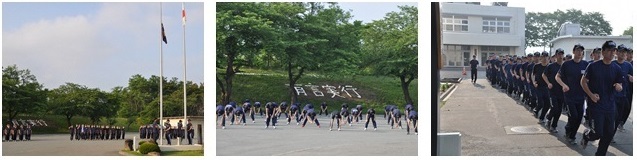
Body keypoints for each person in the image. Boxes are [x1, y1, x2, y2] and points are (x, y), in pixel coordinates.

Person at [580, 40, 625, 156]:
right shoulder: (593, 66)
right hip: (596, 105)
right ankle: (586, 135)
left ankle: (600, 155)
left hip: (610, 105)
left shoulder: (617, 69)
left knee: (609, 134)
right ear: (603, 52)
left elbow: (619, 83)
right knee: (597, 133)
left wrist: (619, 86)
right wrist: (591, 95)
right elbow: (583, 82)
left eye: (613, 51)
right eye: (609, 50)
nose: (612, 53)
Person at [555, 44, 589, 145]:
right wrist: (563, 85)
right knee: (573, 116)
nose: (579, 53)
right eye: (577, 50)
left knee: (579, 118)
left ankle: (572, 135)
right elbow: (557, 77)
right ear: (573, 52)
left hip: (581, 96)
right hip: (569, 96)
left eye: (581, 51)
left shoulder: (586, 65)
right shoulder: (567, 64)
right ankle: (569, 132)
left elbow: (589, 79)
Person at [543, 48, 565, 133]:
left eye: (562, 54)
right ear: (555, 56)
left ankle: (554, 126)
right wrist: (548, 83)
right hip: (552, 91)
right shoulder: (551, 66)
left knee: (559, 110)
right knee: (554, 107)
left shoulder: (565, 66)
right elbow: (544, 75)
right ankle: (548, 117)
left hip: (561, 92)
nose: (560, 56)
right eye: (559, 54)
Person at [613, 44, 633, 133]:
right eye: (620, 52)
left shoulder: (628, 65)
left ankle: (615, 129)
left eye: (624, 52)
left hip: (623, 95)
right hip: (612, 95)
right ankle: (608, 134)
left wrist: (630, 77)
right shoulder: (612, 64)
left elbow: (632, 76)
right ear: (616, 52)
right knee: (613, 116)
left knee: (623, 112)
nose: (622, 54)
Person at [533, 51, 550, 123]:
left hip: (547, 88)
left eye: (546, 57)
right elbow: (533, 75)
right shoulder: (537, 66)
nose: (545, 58)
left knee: (547, 104)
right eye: (543, 57)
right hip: (539, 87)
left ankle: (542, 117)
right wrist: (534, 82)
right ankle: (536, 110)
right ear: (541, 58)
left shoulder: (549, 66)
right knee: (541, 103)